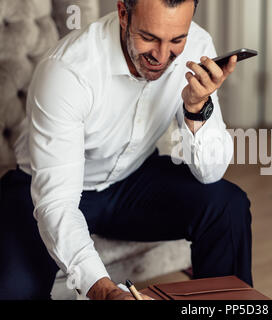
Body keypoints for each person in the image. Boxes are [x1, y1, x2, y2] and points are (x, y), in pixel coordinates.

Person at [0, 0, 253, 300]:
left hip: (132, 178)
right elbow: (58, 204)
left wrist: (198, 109)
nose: (162, 56)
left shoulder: (199, 45)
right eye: (149, 38)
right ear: (123, 14)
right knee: (14, 291)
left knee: (227, 205)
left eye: (176, 40)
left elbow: (210, 174)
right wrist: (106, 292)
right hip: (45, 187)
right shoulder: (67, 70)